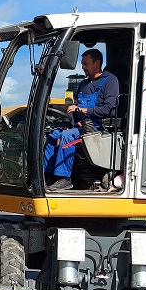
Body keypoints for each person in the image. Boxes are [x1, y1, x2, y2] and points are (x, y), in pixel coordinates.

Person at [44, 48, 121, 191]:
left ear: (97, 63)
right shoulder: (84, 84)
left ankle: (64, 179)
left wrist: (84, 110)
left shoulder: (110, 81)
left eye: (86, 64)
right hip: (81, 126)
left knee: (67, 137)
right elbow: (75, 108)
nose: (83, 67)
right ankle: (47, 176)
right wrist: (69, 123)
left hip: (97, 128)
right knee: (52, 135)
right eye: (82, 63)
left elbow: (111, 109)